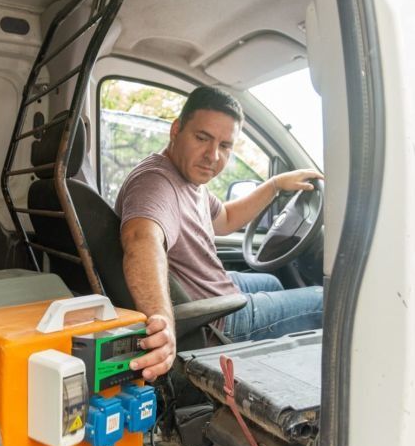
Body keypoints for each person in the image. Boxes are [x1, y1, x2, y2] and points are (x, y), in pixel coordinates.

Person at [115, 86, 323, 383]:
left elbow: (224, 219)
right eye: (202, 138)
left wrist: (275, 185)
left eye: (225, 146)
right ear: (176, 130)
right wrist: (161, 325)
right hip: (215, 319)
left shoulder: (190, 179)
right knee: (324, 299)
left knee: (273, 281)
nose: (212, 156)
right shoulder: (156, 182)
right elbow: (140, 240)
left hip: (213, 293)